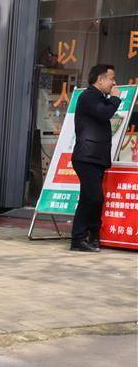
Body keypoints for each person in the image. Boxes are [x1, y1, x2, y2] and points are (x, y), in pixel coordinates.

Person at [70, 63, 122, 252]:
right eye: (111, 78)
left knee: (91, 198)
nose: (113, 82)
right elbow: (105, 113)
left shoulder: (99, 97)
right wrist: (116, 99)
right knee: (93, 197)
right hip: (86, 157)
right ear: (100, 79)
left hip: (95, 157)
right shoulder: (88, 96)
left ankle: (90, 237)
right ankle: (80, 238)